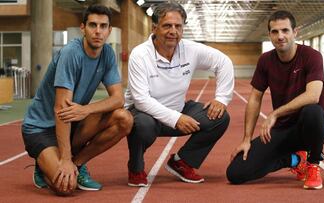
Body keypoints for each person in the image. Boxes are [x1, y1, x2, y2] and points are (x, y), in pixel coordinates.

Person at [21, 4, 133, 195]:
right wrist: (64, 159)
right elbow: (61, 111)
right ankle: (45, 164)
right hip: (40, 127)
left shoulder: (107, 54)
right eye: (92, 25)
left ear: (109, 30)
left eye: (103, 26)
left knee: (124, 119)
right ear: (83, 28)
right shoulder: (71, 54)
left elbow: (118, 99)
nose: (98, 31)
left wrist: (86, 110)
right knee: (66, 188)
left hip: (74, 119)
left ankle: (78, 163)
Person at [124, 2, 234, 187]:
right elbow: (141, 100)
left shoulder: (190, 49)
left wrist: (222, 98)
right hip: (144, 115)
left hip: (178, 109)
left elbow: (223, 62)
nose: (173, 31)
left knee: (220, 117)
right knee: (143, 124)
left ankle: (182, 162)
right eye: (167, 25)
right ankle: (135, 168)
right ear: (155, 28)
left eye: (178, 26)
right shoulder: (140, 55)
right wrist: (176, 119)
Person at [226, 10, 324, 190]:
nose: (280, 36)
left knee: (312, 111)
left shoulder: (312, 56)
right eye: (275, 32)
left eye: (285, 30)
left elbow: (313, 96)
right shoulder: (265, 60)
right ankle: (295, 159)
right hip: (283, 130)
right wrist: (246, 139)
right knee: (236, 173)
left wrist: (275, 113)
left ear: (295, 32)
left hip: (310, 128)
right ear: (269, 35)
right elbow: (254, 98)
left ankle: (313, 164)